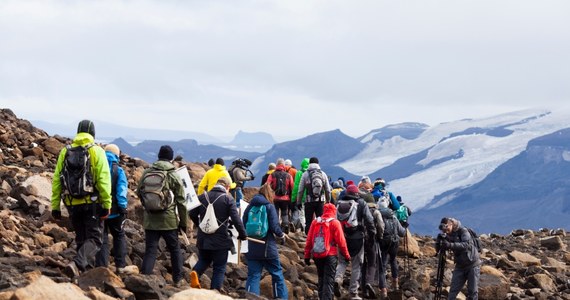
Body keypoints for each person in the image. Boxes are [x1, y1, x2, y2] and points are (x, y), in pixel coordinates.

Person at [51, 120, 112, 278]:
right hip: (92, 203)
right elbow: (104, 180)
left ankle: (82, 275)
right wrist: (107, 203)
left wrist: (55, 206)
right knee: (95, 239)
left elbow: (57, 179)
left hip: (72, 203)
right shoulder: (97, 151)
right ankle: (77, 264)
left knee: (81, 238)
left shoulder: (66, 151)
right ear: (93, 133)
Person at [137, 145, 188, 287]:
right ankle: (177, 280)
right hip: (168, 220)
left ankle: (144, 279)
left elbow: (138, 191)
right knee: (174, 249)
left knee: (151, 249)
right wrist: (183, 222)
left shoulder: (148, 171)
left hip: (150, 219)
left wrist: (148, 206)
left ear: (158, 156)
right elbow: (181, 201)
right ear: (171, 158)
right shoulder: (173, 174)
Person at [189, 176, 247, 290]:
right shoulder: (227, 199)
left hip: (203, 238)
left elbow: (192, 213)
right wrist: (243, 234)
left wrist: (200, 225)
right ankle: (214, 292)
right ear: (227, 187)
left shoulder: (202, 197)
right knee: (219, 268)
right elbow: (236, 219)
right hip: (220, 239)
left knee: (204, 260)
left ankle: (196, 272)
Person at [243, 184, 288, 299]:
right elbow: (274, 226)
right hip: (267, 247)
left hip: (252, 246)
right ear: (269, 193)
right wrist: (281, 235)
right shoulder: (269, 206)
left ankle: (250, 297)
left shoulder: (249, 207)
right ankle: (280, 298)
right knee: (277, 273)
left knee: (253, 275)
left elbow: (243, 223)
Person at [334, 184, 376, 300]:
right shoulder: (361, 203)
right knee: (357, 265)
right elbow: (369, 221)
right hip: (358, 238)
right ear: (356, 193)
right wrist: (371, 236)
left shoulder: (339, 203)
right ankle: (353, 293)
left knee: (342, 262)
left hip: (342, 237)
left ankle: (337, 279)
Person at [304, 203, 351, 300]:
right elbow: (341, 242)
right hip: (331, 255)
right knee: (329, 280)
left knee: (321, 278)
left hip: (317, 254)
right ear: (334, 211)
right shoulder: (335, 223)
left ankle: (321, 297)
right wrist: (347, 256)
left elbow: (309, 240)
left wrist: (307, 255)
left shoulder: (315, 222)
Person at [95, 144, 128, 273]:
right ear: (117, 155)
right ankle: (120, 265)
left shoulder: (98, 167)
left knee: (102, 238)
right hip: (115, 212)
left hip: (101, 210)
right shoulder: (118, 170)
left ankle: (102, 267)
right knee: (119, 236)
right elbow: (121, 190)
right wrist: (122, 207)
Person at [436, 217, 481, 300]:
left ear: (451, 224)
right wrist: (439, 242)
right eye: (443, 229)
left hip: (472, 264)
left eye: (447, 227)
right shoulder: (447, 235)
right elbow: (438, 251)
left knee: (472, 292)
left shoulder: (463, 231)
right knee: (452, 292)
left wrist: (450, 245)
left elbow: (466, 245)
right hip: (460, 266)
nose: (446, 230)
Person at [297, 157, 332, 235]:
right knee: (321, 221)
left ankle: (308, 240)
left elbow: (300, 190)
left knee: (308, 221)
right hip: (320, 201)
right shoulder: (323, 174)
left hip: (308, 201)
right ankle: (321, 238)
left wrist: (298, 202)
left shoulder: (305, 174)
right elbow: (328, 190)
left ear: (309, 164)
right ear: (318, 164)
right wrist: (328, 201)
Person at [378, 205, 406, 297]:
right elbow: (402, 233)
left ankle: (383, 290)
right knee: (393, 261)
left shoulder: (380, 217)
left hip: (384, 243)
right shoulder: (394, 218)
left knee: (382, 266)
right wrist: (404, 227)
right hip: (394, 242)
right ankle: (396, 284)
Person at [266, 158, 295, 233]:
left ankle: (276, 228)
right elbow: (292, 187)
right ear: (283, 165)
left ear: (277, 165)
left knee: (275, 213)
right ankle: (285, 226)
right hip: (285, 198)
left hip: (275, 198)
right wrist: (291, 198)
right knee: (285, 213)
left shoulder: (272, 175)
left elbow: (267, 185)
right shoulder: (288, 175)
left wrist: (269, 196)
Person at [291, 158, 309, 233]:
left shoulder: (299, 173)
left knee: (302, 215)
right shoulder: (313, 172)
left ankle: (305, 231)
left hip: (302, 198)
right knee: (310, 215)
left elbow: (296, 187)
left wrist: (293, 198)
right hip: (312, 198)